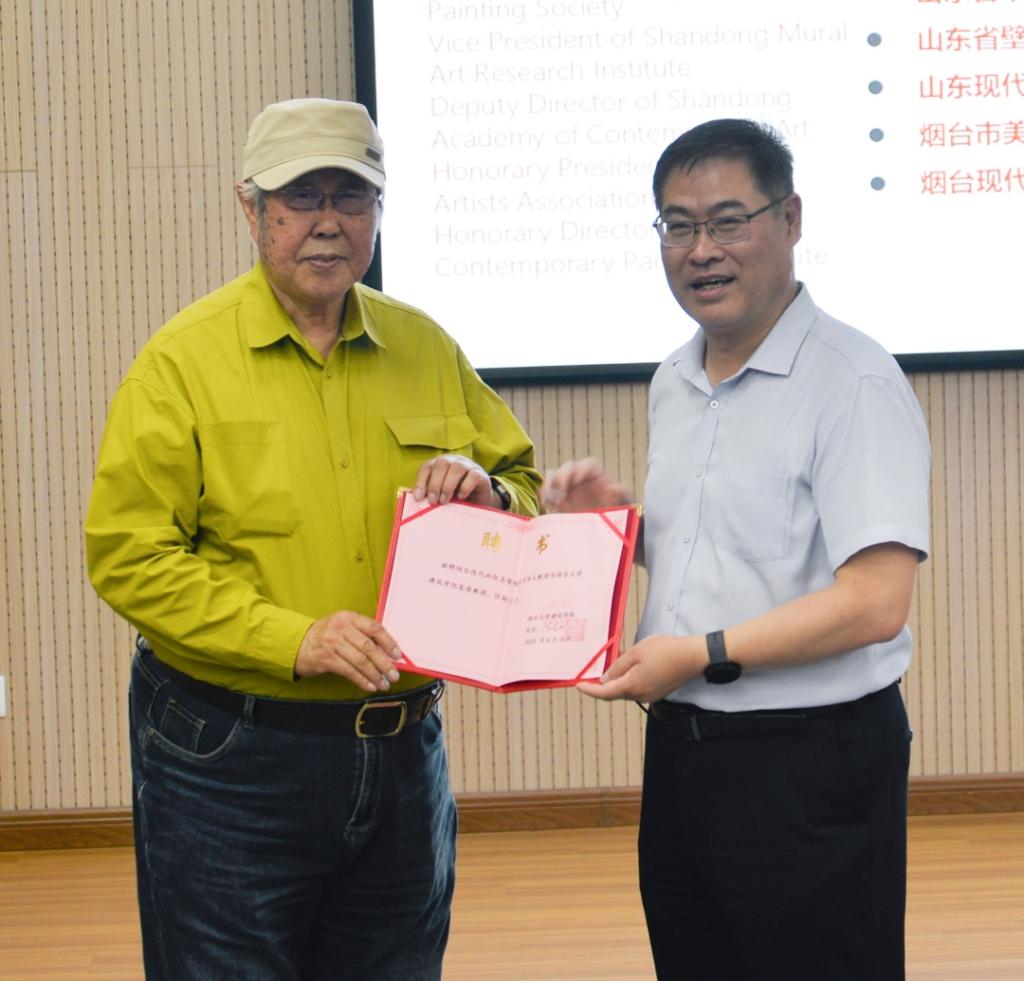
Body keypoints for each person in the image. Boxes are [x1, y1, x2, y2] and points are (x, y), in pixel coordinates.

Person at [85, 97, 541, 980]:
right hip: (231, 756)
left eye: (352, 195)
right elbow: (129, 557)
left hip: (403, 756)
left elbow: (524, 486)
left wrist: (489, 492)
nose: (329, 221)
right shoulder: (181, 363)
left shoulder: (426, 347)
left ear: (378, 209)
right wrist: (294, 638)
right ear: (251, 208)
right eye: (302, 196)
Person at [544, 119, 931, 980]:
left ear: (790, 219)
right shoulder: (676, 378)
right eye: (678, 226)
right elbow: (730, 549)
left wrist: (698, 653)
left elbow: (875, 602)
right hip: (684, 754)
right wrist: (623, 528)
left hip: (811, 762)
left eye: (727, 221)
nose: (701, 251)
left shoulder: (855, 382)